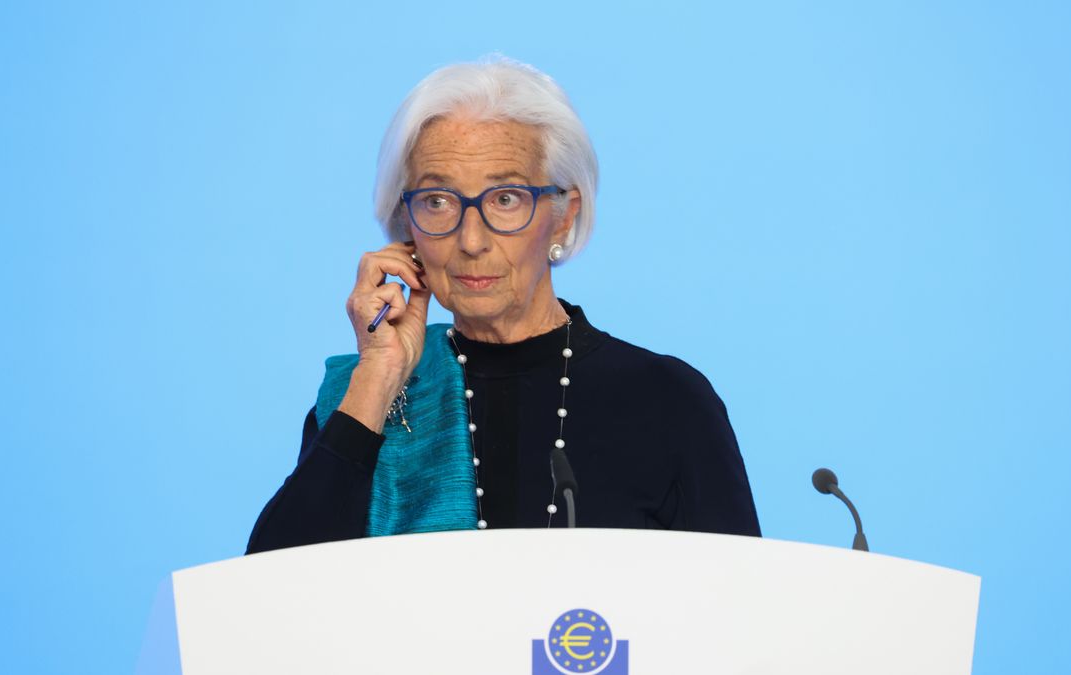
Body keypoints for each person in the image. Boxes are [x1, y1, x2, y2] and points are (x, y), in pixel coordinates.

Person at [246, 57, 759, 554]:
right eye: (438, 201)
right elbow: (267, 598)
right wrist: (378, 377)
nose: (471, 240)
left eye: (505, 199)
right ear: (407, 227)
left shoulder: (667, 401)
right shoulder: (365, 397)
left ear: (562, 215)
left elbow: (739, 612)